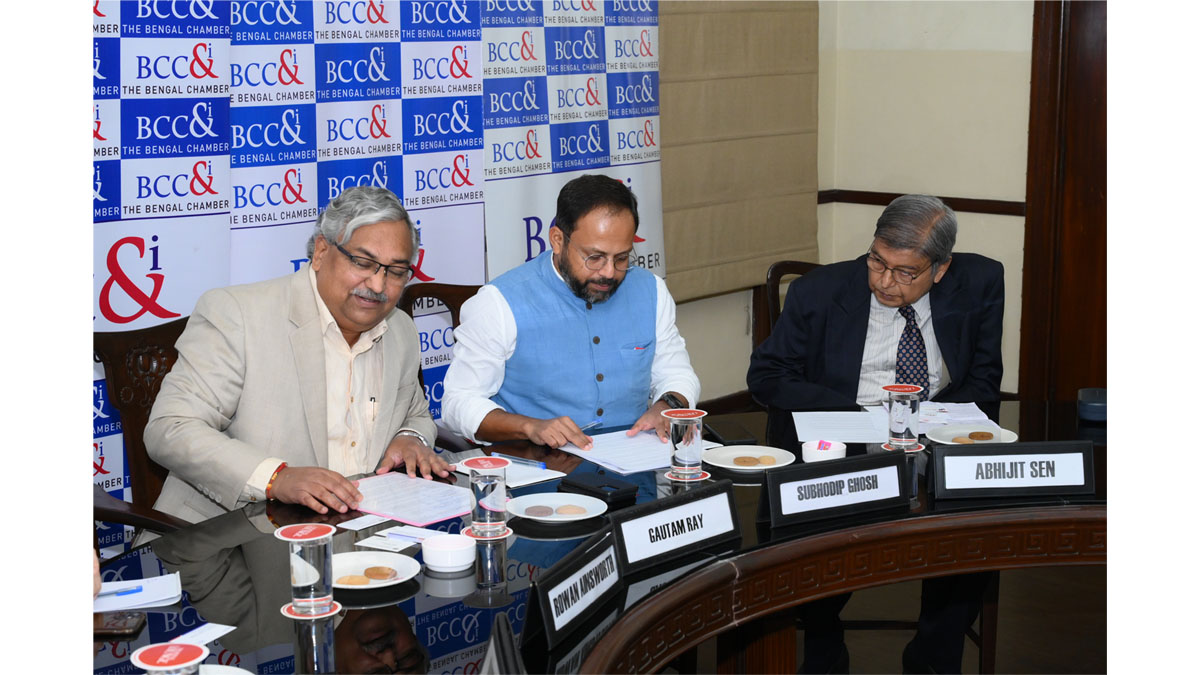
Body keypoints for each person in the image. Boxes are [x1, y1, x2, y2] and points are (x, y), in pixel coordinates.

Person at [747, 194, 1003, 674]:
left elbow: (986, 380)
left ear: (940, 270)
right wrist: (856, 416)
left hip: (935, 433)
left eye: (906, 273)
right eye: (878, 262)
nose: (885, 282)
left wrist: (930, 421)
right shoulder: (819, 291)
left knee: (973, 533)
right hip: (846, 435)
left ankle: (932, 657)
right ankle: (824, 646)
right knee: (818, 535)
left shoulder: (981, 282)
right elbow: (766, 376)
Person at [146, 186, 449, 524]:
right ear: (321, 252)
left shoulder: (401, 330)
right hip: (232, 538)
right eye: (363, 263)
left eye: (395, 272)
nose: (378, 286)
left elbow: (417, 414)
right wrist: (275, 477)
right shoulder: (238, 315)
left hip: (360, 533)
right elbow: (170, 429)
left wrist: (411, 437)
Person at [441, 174, 700, 448]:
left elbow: (678, 374)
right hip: (539, 470)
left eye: (622, 258)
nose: (609, 272)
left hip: (635, 467)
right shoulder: (498, 303)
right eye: (594, 257)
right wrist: (529, 426)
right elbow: (458, 402)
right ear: (557, 240)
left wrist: (666, 405)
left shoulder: (652, 291)